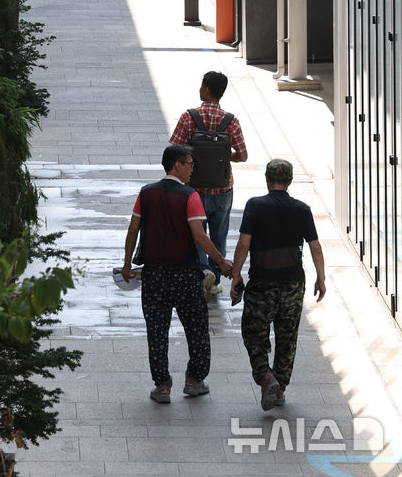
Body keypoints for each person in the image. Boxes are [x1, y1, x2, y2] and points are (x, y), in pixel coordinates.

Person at [121, 144, 233, 404]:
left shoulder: (146, 193)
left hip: (154, 275)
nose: (193, 169)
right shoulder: (189, 196)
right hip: (185, 275)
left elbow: (133, 229)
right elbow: (199, 236)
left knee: (157, 330)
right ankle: (194, 379)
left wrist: (127, 264)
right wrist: (221, 262)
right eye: (190, 163)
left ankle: (162, 386)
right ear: (176, 165)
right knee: (196, 328)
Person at [230, 158, 325, 410]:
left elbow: (243, 244)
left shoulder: (255, 206)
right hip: (293, 284)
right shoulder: (302, 209)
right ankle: (279, 389)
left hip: (262, 283)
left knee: (254, 333)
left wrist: (236, 274)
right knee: (287, 337)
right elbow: (315, 246)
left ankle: (266, 376)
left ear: (267, 180)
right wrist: (321, 278)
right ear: (290, 181)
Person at [169, 70, 247, 298]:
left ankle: (203, 271)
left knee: (197, 232)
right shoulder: (230, 121)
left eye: (201, 85)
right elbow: (242, 155)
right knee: (219, 233)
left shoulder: (189, 117)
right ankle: (215, 277)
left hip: (194, 189)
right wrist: (224, 157)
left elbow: (174, 149)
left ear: (206, 89)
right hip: (223, 187)